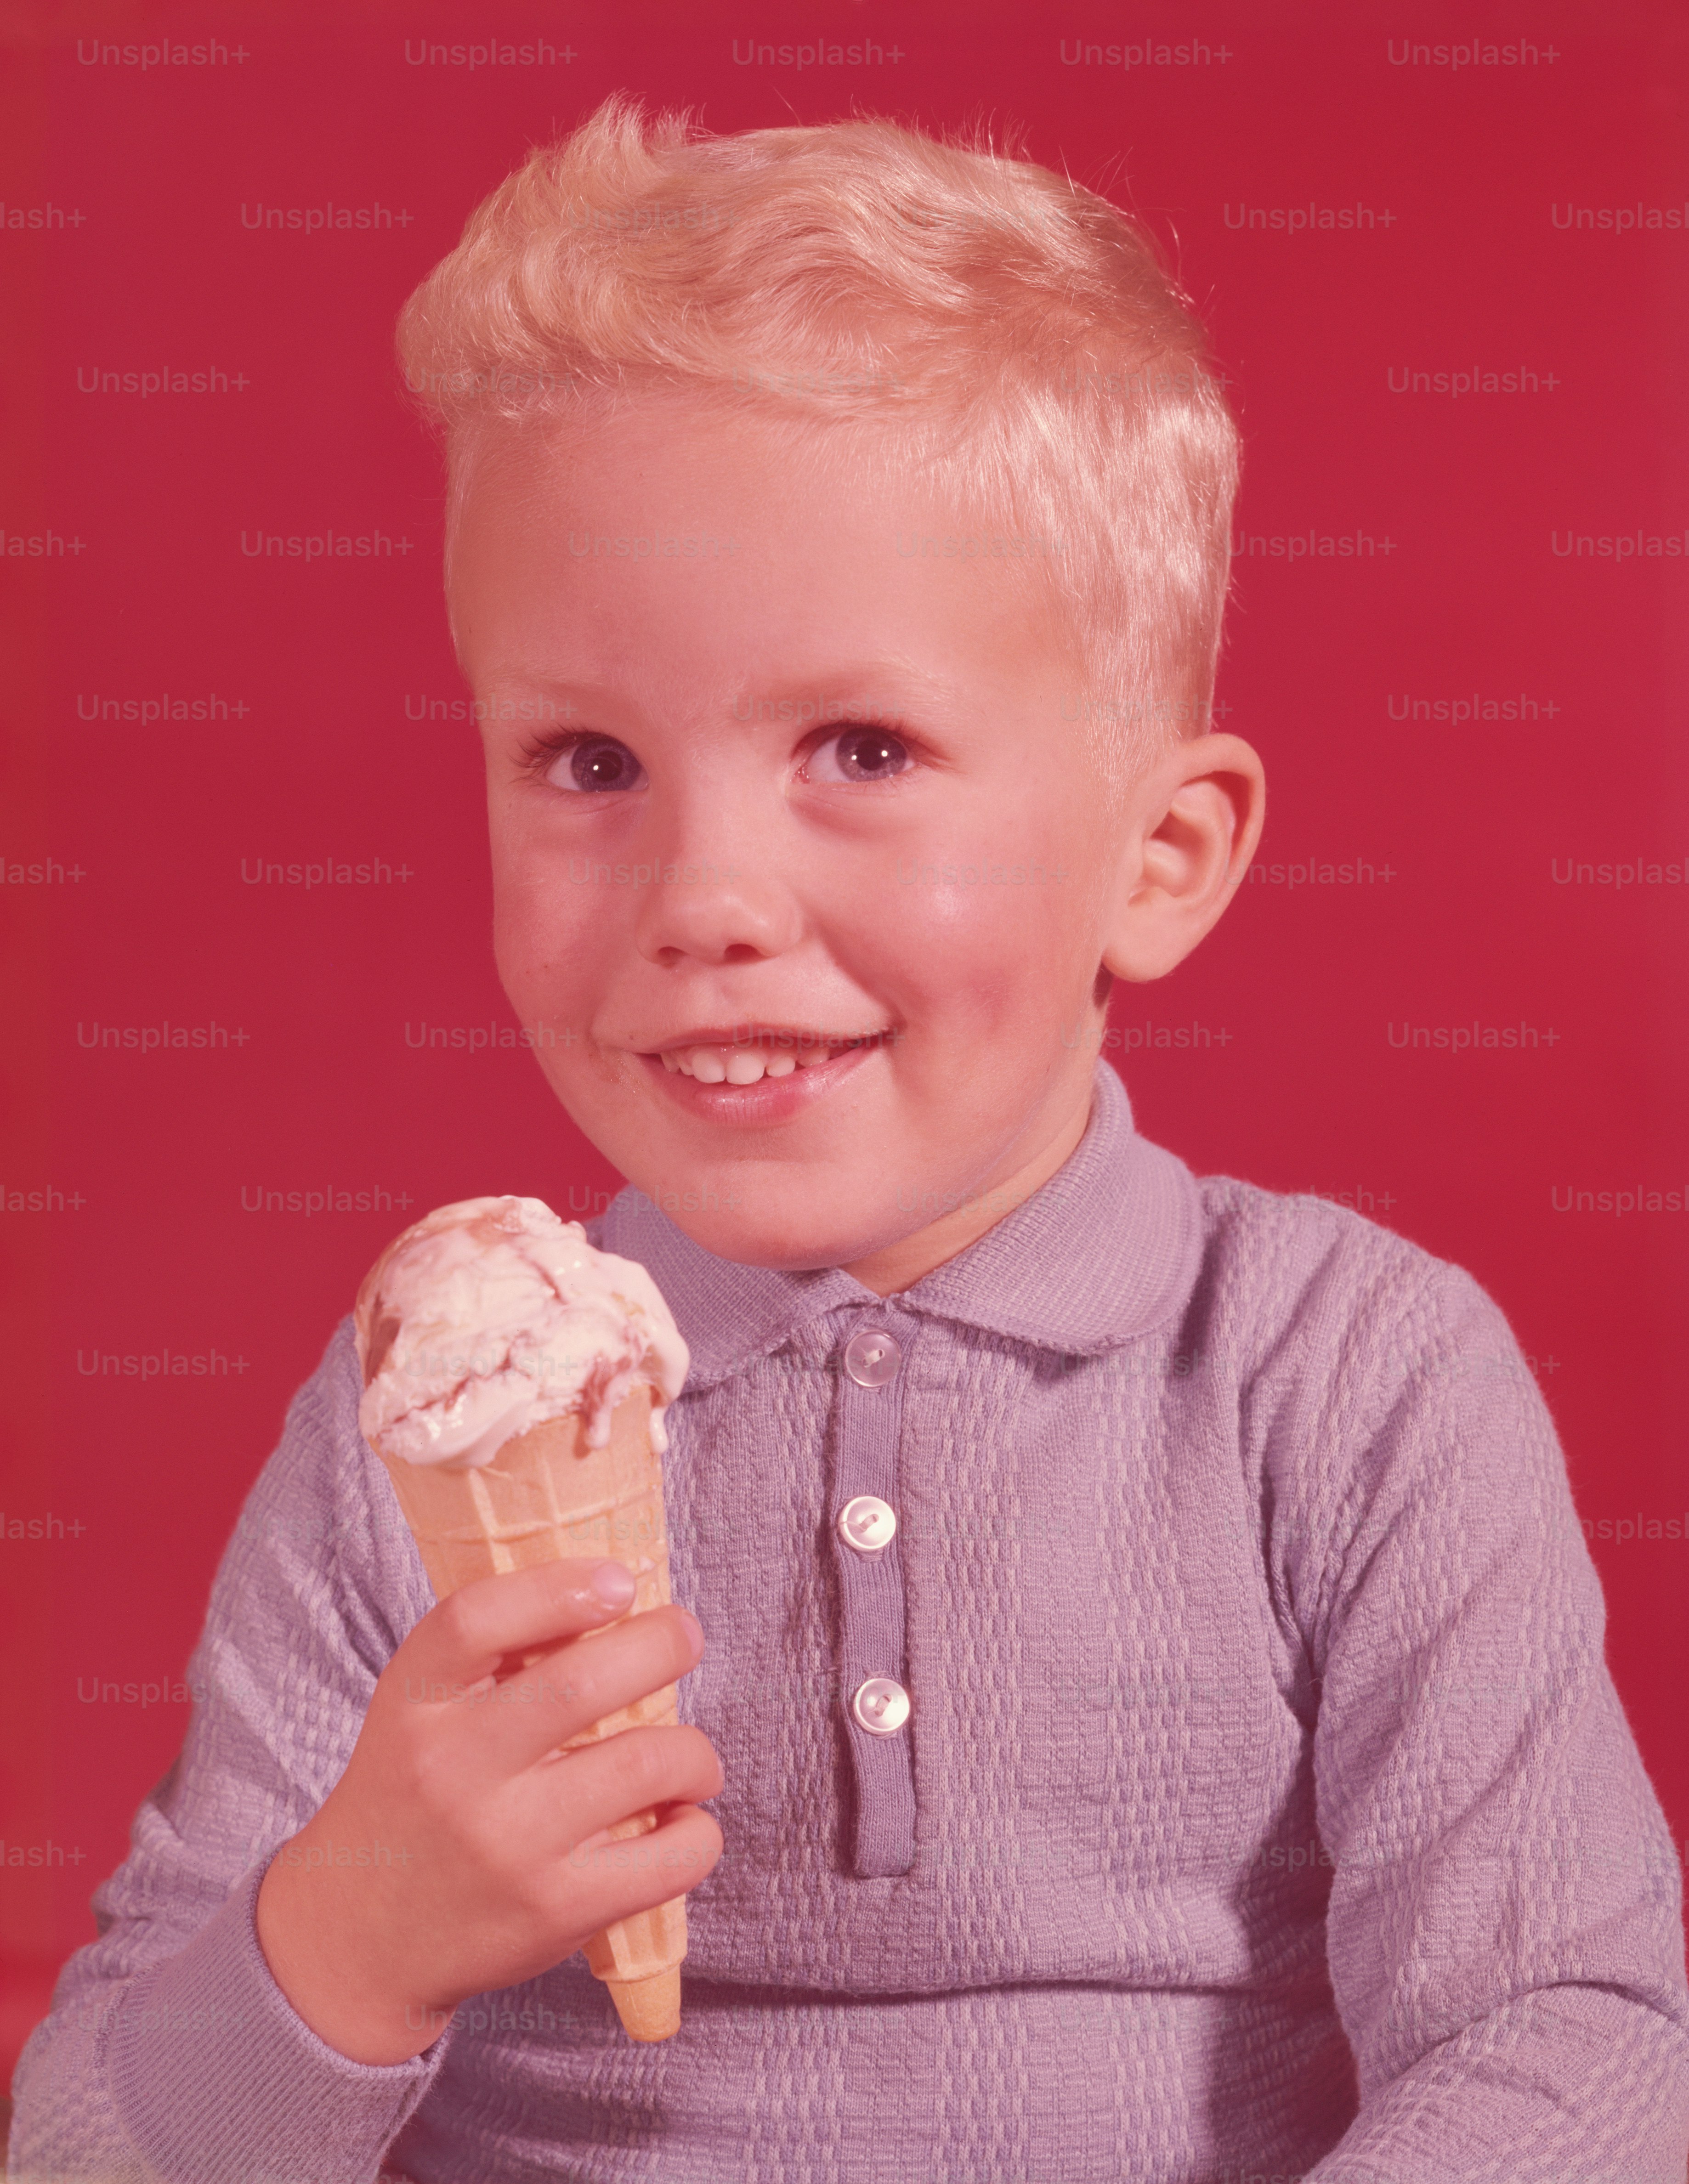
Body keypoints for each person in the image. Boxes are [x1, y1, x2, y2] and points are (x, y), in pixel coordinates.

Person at [11, 96, 1687, 2183]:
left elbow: (1568, 2041)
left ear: (1159, 856)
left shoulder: (1347, 1380)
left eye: (862, 748)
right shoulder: (413, 1436)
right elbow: (82, 2146)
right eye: (588, 759)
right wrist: (340, 1945)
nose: (703, 896)